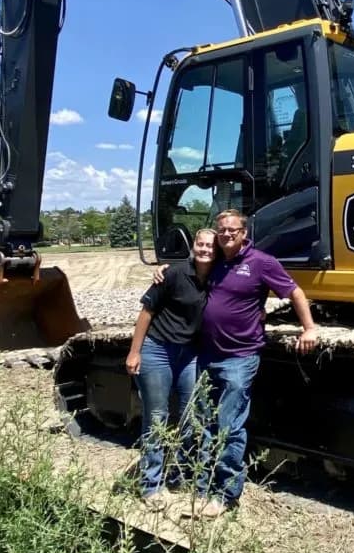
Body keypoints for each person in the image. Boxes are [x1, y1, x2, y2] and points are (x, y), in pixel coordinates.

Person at [155, 208, 318, 517]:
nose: (226, 234)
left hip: (239, 358)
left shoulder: (261, 263)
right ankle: (201, 489)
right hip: (205, 355)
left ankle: (224, 494)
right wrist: (164, 268)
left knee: (229, 427)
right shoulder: (217, 260)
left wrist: (309, 327)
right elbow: (193, 265)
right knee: (202, 424)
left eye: (232, 229)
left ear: (244, 233)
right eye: (222, 230)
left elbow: (294, 292)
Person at [126, 227, 217, 510]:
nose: (205, 249)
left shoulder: (219, 276)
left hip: (189, 353)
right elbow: (146, 312)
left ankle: (178, 472)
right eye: (200, 244)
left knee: (192, 414)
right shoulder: (174, 274)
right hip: (158, 349)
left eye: (210, 246)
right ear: (193, 246)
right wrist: (134, 351)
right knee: (157, 416)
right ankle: (151, 485)